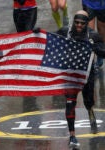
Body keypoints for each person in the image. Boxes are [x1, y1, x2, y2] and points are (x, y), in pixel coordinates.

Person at [56, 10, 105, 149]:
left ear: (86, 24)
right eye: (76, 23)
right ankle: (72, 135)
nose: (78, 26)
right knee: (70, 103)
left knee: (88, 100)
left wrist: (97, 49)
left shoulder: (93, 35)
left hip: (87, 74)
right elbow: (49, 39)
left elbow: (103, 52)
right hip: (70, 75)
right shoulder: (65, 31)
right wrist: (36, 33)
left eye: (82, 23)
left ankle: (90, 110)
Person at [82, 0, 105, 70]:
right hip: (88, 2)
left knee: (101, 29)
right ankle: (90, 59)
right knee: (90, 31)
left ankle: (101, 52)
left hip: (102, 4)